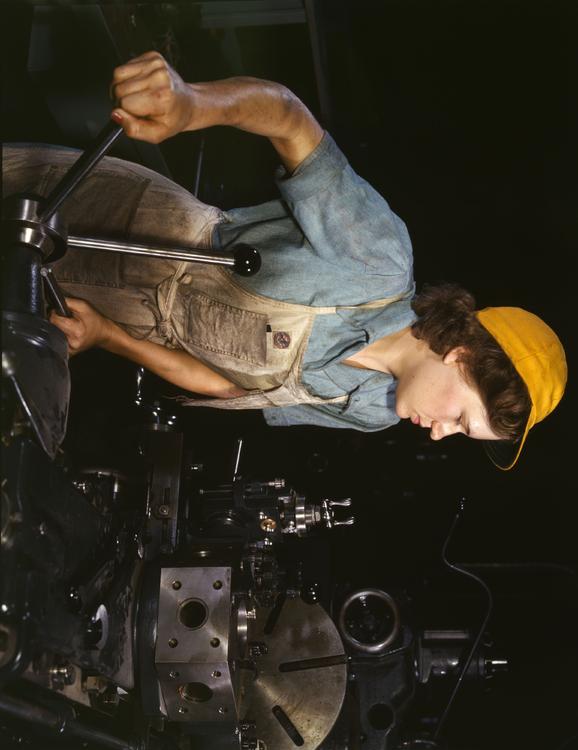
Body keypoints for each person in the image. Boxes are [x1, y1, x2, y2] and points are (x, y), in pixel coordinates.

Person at [3, 51, 567, 469]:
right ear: (462, 353)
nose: (441, 434)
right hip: (121, 226)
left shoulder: (373, 411)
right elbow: (289, 119)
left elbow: (228, 388)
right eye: (461, 420)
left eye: (460, 434)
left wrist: (107, 336)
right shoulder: (378, 261)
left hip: (122, 315)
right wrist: (191, 101)